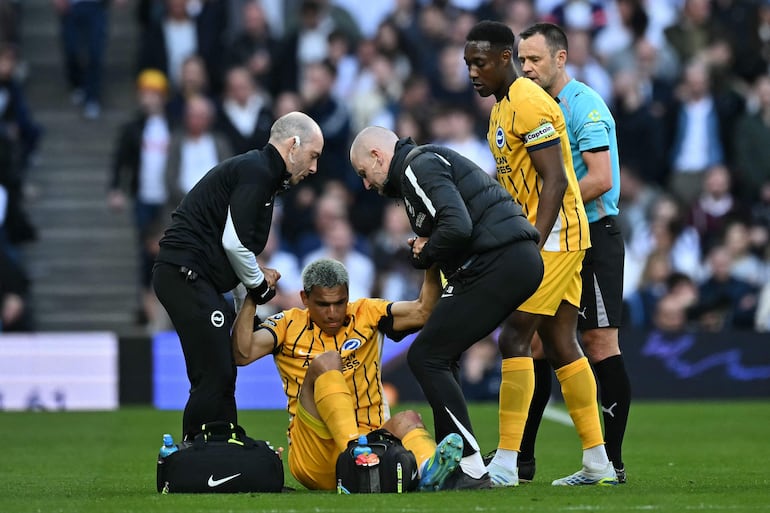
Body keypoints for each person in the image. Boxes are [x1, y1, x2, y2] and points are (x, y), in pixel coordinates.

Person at [464, 20, 617, 487]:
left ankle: (507, 464)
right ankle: (598, 463)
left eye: (481, 63)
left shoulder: (531, 103)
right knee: (559, 343)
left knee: (514, 339)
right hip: (552, 237)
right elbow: (509, 183)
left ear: (505, 59)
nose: (473, 73)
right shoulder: (500, 110)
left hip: (555, 238)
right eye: (468, 63)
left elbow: (555, 179)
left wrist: (533, 238)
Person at [349, 126, 544, 489]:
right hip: (507, 258)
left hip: (500, 259)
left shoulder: (414, 167)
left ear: (377, 157)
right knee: (440, 354)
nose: (366, 184)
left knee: (427, 356)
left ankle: (468, 466)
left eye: (364, 173)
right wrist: (427, 249)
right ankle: (450, 459)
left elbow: (457, 226)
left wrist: (427, 249)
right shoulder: (420, 168)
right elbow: (451, 229)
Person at [152, 111, 324, 442]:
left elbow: (228, 244)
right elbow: (234, 243)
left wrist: (248, 290)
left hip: (190, 274)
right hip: (186, 273)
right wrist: (260, 289)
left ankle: (221, 440)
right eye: (313, 156)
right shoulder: (258, 172)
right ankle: (201, 446)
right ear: (293, 145)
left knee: (219, 368)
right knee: (214, 370)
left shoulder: (259, 172)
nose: (314, 167)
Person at [232, 257, 464, 492]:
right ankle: (353, 453)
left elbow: (423, 311)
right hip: (314, 455)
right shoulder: (287, 324)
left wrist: (432, 262)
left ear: (348, 296)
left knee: (409, 419)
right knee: (329, 360)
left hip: (372, 444)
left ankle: (428, 472)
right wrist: (253, 296)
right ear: (305, 299)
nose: (333, 313)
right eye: (323, 304)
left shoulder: (367, 314)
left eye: (340, 303)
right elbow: (242, 354)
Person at [514, 22, 630, 484]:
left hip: (594, 235)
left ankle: (612, 463)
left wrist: (551, 206)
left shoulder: (586, 105)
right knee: (537, 342)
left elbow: (601, 177)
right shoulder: (531, 105)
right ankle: (521, 461)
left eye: (535, 60)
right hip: (558, 237)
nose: (526, 68)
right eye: (522, 60)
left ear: (560, 59)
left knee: (601, 343)